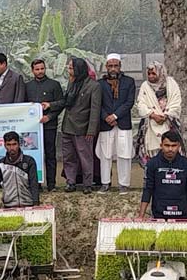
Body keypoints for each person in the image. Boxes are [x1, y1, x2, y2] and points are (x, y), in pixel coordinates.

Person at [138, 131, 187, 220]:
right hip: (159, 215)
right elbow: (147, 189)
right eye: (167, 145)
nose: (170, 149)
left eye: (173, 146)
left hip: (183, 214)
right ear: (161, 145)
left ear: (179, 146)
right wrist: (141, 216)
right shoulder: (152, 164)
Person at [96, 54, 136, 195]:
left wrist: (115, 115)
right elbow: (97, 104)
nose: (113, 69)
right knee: (105, 154)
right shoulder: (99, 84)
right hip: (105, 124)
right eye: (110, 66)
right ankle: (105, 183)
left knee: (124, 154)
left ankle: (123, 184)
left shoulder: (129, 82)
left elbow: (129, 102)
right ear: (106, 67)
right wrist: (106, 116)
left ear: (120, 67)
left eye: (116, 66)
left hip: (123, 123)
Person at [62, 57, 101, 194]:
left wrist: (91, 130)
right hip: (67, 126)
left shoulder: (93, 86)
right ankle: (70, 182)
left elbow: (95, 110)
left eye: (71, 68)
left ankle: (87, 184)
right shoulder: (71, 83)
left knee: (85, 157)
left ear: (79, 69)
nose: (69, 70)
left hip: (83, 128)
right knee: (68, 157)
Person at [25, 58, 64, 192]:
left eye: (42, 68)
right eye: (37, 69)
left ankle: (51, 184)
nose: (40, 71)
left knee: (50, 154)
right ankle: (36, 184)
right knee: (34, 155)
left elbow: (61, 104)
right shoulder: (27, 86)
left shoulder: (54, 85)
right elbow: (24, 106)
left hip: (49, 126)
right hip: (32, 128)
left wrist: (49, 116)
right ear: (32, 71)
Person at [135, 61, 182, 167]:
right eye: (149, 74)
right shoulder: (145, 86)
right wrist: (152, 115)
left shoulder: (171, 83)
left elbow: (176, 101)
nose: (151, 76)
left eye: (153, 73)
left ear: (160, 73)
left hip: (168, 123)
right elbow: (141, 104)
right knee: (151, 156)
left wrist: (166, 115)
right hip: (150, 125)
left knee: (170, 150)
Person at [0, 131, 40, 208]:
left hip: (28, 204)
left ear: (19, 144)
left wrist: (36, 203)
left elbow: (34, 183)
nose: (11, 148)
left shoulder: (29, 161)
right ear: (5, 145)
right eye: (8, 145)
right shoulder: (1, 164)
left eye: (14, 144)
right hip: (9, 206)